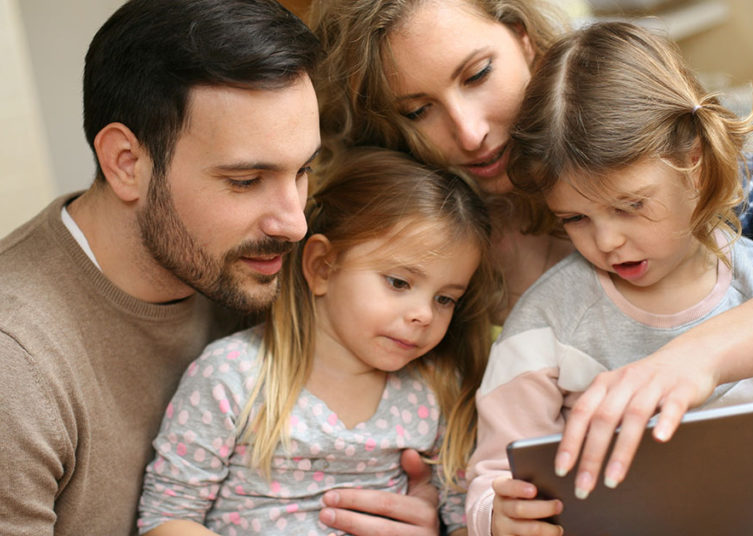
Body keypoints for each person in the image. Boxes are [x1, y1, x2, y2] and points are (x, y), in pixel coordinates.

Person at [307, 0, 753, 505]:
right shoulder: (406, 222)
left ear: (522, 38)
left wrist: (692, 356)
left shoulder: (666, 161)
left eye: (478, 74)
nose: (468, 132)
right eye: (417, 110)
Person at [0, 1, 328, 533]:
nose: (294, 224)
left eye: (302, 170)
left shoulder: (247, 272)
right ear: (125, 163)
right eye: (245, 180)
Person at [466, 22, 753, 535]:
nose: (606, 241)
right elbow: (493, 477)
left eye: (629, 205)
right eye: (575, 219)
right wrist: (498, 518)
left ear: (691, 158)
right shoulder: (542, 325)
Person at [136, 148, 500, 536]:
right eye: (399, 282)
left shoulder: (436, 393)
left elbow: (465, 524)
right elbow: (168, 518)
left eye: (445, 299)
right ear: (322, 266)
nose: (424, 314)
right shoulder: (234, 375)